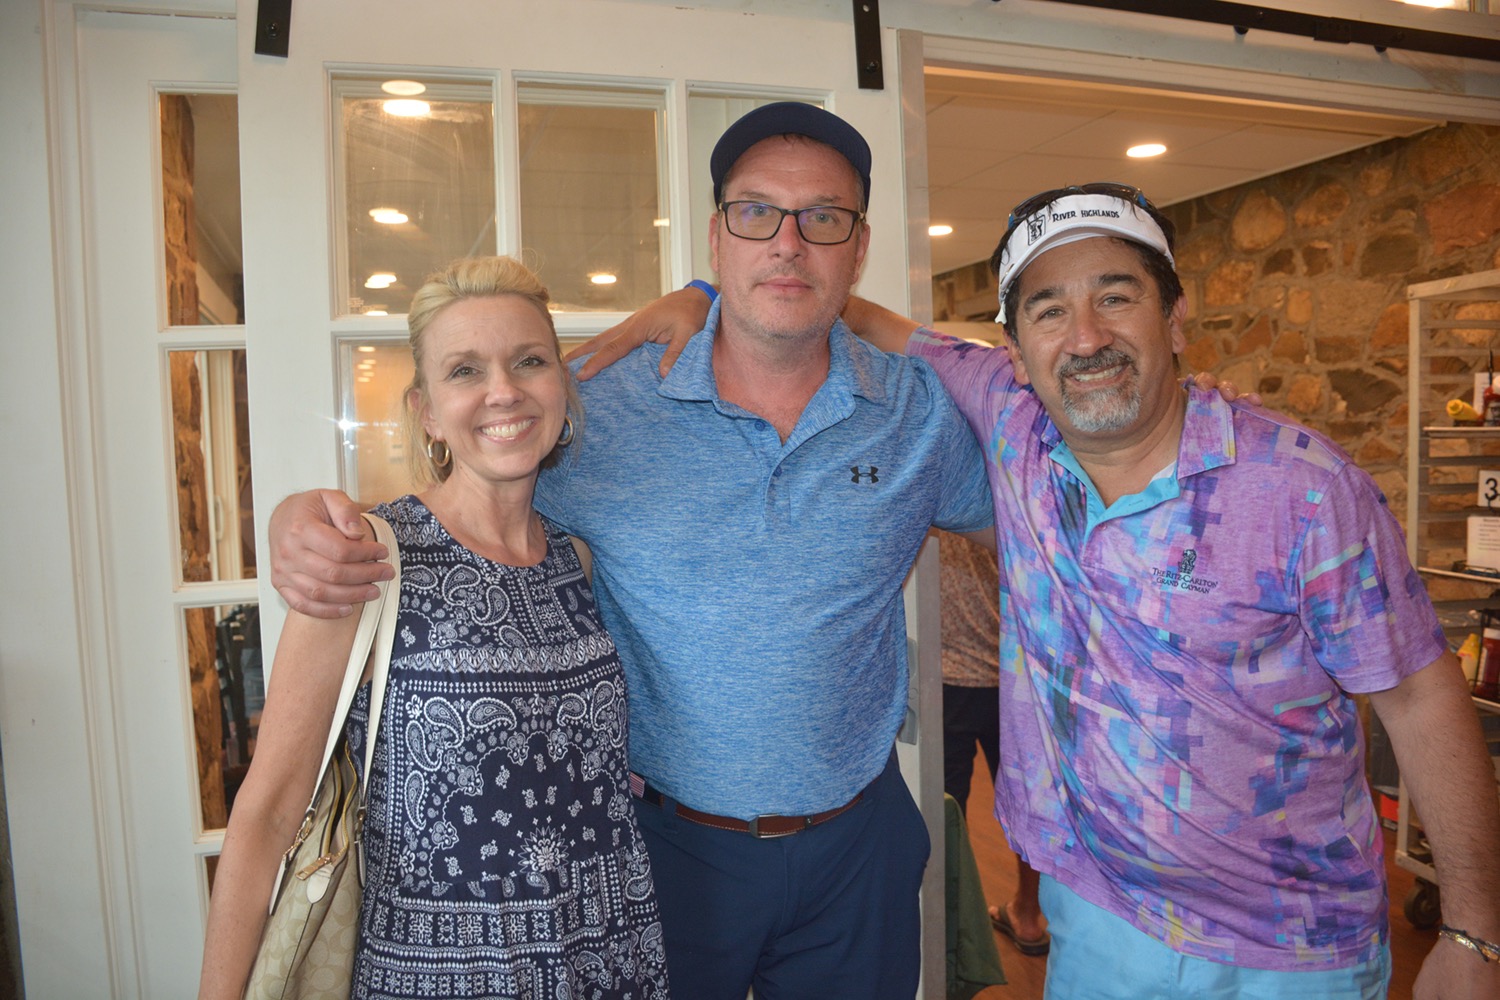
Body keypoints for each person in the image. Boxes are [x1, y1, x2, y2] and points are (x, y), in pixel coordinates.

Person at [571, 184, 1500, 999]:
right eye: (1049, 310)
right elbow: (840, 308)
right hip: (1093, 921)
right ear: (1012, 346)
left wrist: (1472, 932)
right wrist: (704, 297)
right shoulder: (1013, 425)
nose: (1086, 336)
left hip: (1293, 949)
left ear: (1176, 320)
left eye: (1117, 297)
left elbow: (1422, 695)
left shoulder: (1302, 488)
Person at [265, 103, 996, 1000]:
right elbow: (461, 482)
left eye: (824, 217)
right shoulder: (605, 407)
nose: (789, 242)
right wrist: (305, 519)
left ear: (860, 246)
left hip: (858, 849)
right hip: (663, 854)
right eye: (757, 212)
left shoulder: (917, 412)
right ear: (717, 239)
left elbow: (1039, 527)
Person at [198, 257, 670, 1000]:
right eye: (464, 371)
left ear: (562, 385)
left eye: (529, 361)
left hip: (608, 959)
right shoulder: (366, 560)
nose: (503, 391)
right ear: (425, 411)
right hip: (440, 973)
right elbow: (267, 814)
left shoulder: (576, 560)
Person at [937, 529, 1048, 959]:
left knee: (947, 811)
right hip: (1016, 675)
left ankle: (952, 934)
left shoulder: (937, 494)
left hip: (952, 677)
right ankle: (1028, 915)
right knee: (1030, 806)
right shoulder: (1019, 494)